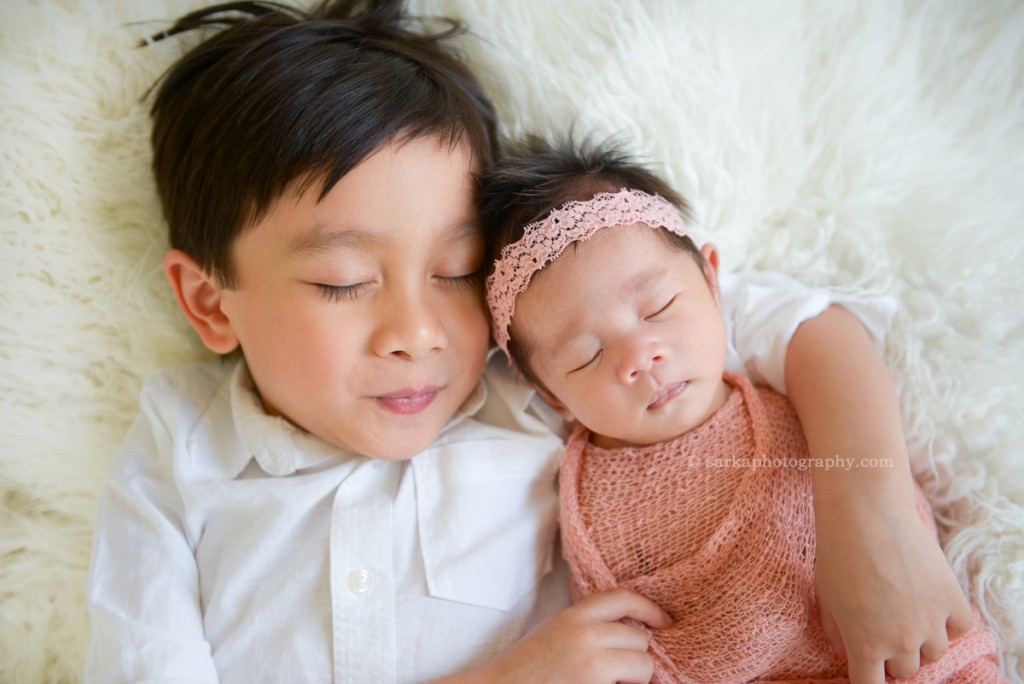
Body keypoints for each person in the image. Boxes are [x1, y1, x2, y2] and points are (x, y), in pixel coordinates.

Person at [85, 1, 974, 682]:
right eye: (343, 283)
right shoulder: (179, 453)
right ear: (209, 304)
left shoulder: (540, 365)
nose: (418, 334)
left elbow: (803, 325)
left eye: (458, 270)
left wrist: (875, 522)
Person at [481, 136, 1005, 683]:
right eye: (587, 355)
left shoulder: (758, 356)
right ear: (550, 396)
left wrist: (871, 522)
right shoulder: (576, 494)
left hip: (912, 646)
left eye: (658, 307)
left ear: (711, 279)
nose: (641, 356)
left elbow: (828, 339)